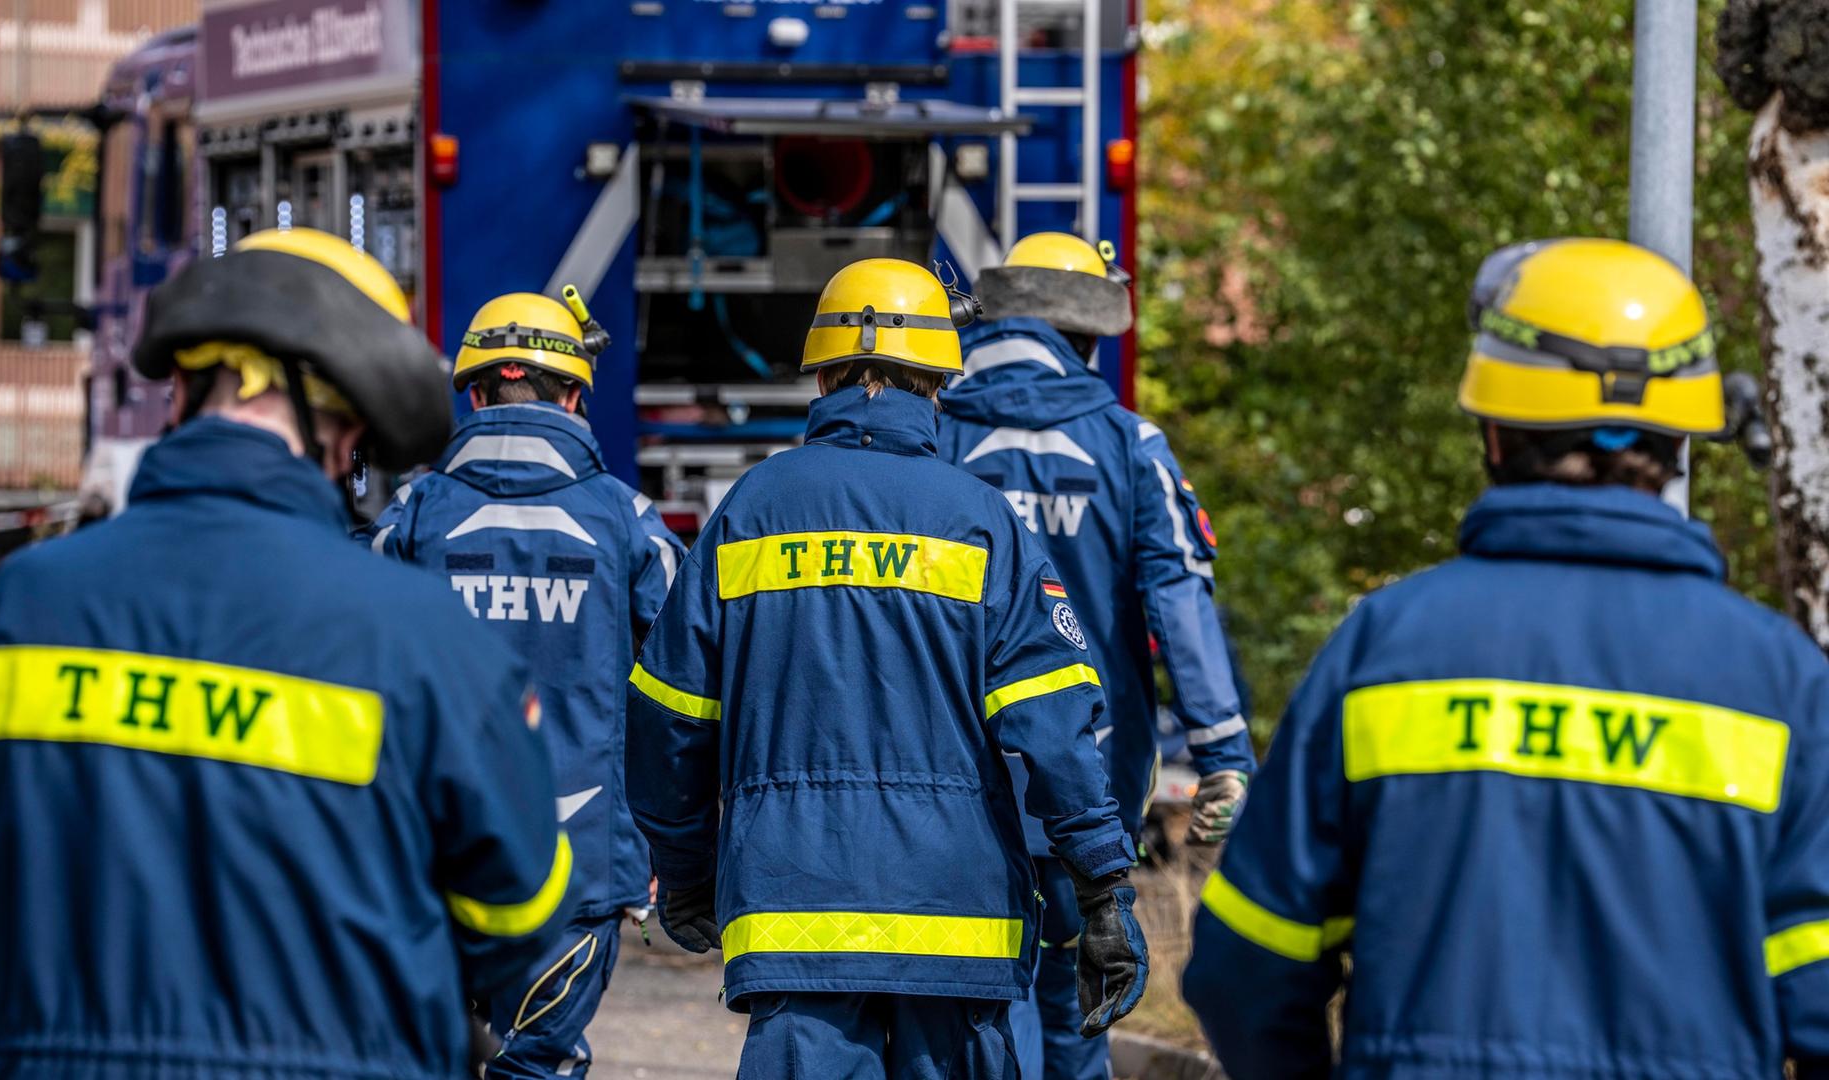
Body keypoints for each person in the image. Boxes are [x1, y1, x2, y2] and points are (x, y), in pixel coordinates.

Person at [1182, 238, 1829, 1078]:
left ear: (1494, 430)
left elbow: (1248, 961)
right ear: (1682, 440)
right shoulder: (1779, 682)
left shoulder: (1390, 645)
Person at [0, 228, 574, 1080]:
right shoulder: (430, 642)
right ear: (348, 427)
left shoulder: (30, 603)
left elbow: (13, 869)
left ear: (181, 389)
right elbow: (519, 915)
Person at [625, 257, 1149, 1080]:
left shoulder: (752, 511)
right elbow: (1055, 727)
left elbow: (669, 714)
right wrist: (1102, 888)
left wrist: (686, 869)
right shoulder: (981, 522)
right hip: (958, 923)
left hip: (793, 917)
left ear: (822, 375)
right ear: (939, 382)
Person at [937, 231, 1253, 1079]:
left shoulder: (933, 436)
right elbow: (1180, 605)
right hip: (1093, 786)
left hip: (956, 784)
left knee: (981, 1012)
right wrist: (1223, 756)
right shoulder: (1130, 447)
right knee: (1084, 1004)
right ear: (1085, 335)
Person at [363, 288, 683, 1078]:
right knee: (540, 1064)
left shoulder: (409, 519)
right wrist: (669, 846)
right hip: (577, 871)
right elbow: (681, 697)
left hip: (426, 861)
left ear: (473, 396)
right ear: (573, 396)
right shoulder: (630, 524)